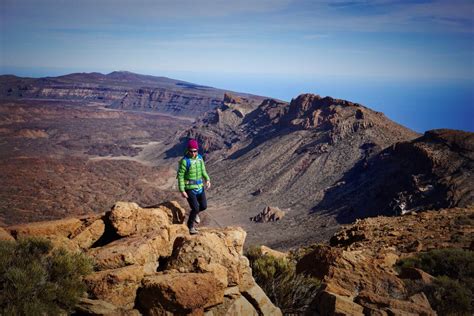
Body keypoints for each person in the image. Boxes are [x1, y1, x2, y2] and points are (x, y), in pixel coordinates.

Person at [177, 139, 211, 234]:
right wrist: (182, 190)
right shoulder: (185, 161)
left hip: (200, 187)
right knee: (195, 208)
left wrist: (207, 180)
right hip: (189, 188)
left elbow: (203, 171)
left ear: (197, 150)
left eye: (195, 151)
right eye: (191, 151)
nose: (193, 153)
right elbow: (180, 176)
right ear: (188, 150)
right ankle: (190, 227)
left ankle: (195, 214)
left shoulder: (200, 158)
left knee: (203, 206)